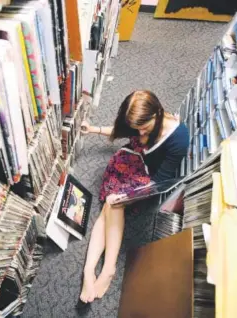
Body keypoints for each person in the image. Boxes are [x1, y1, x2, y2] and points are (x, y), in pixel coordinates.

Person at [79, 90, 189, 303]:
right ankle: (90, 270)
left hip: (146, 180)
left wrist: (127, 196)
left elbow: (158, 183)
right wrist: (94, 129)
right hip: (128, 160)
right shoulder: (141, 117)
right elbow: (123, 132)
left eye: (144, 127)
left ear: (157, 114)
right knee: (108, 207)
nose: (139, 132)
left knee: (113, 205)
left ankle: (106, 269)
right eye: (136, 127)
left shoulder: (179, 138)